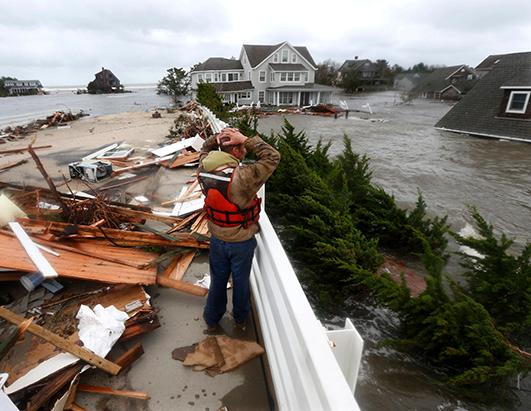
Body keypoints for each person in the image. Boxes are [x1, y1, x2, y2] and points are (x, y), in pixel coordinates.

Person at [197, 127, 280, 332]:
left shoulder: (203, 167)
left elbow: (204, 150)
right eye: (242, 147)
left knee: (218, 281)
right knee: (241, 283)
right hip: (241, 241)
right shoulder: (243, 176)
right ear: (235, 151)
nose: (244, 150)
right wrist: (245, 138)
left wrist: (216, 139)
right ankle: (240, 319)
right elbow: (272, 156)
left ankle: (212, 318)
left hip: (217, 238)